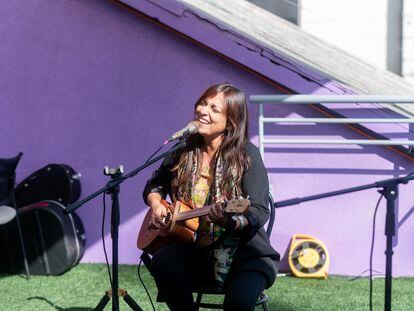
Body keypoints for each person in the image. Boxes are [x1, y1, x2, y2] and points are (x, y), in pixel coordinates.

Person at [143, 83, 279, 311]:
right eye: (203, 103)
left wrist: (231, 221)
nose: (203, 111)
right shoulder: (183, 150)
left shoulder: (247, 155)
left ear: (232, 120)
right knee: (163, 262)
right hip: (195, 250)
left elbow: (258, 209)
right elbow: (155, 185)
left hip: (246, 255)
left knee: (239, 303)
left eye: (214, 109)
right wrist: (156, 203)